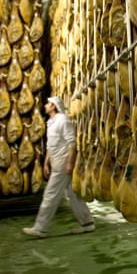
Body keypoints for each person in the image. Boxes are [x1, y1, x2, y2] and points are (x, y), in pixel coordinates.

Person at [23, 96, 95, 237]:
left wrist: (69, 162)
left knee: (50, 195)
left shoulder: (63, 120)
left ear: (54, 106)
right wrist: (45, 162)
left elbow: (71, 143)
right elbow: (50, 145)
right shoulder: (50, 122)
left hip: (62, 163)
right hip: (55, 162)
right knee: (74, 195)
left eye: (48, 103)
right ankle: (88, 223)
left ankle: (40, 228)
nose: (45, 105)